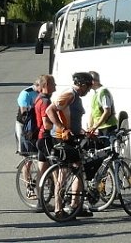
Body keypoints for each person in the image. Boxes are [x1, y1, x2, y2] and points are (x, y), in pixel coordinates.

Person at [45, 71, 95, 218]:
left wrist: (82, 131)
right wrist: (63, 128)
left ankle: (75, 205)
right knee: (63, 172)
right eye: (89, 87)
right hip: (63, 138)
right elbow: (50, 110)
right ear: (83, 85)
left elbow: (71, 118)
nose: (89, 90)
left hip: (72, 137)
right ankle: (59, 209)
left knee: (77, 169)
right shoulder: (70, 94)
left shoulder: (75, 96)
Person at [34, 73, 57, 201]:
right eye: (53, 84)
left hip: (40, 137)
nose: (55, 86)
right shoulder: (45, 101)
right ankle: (59, 200)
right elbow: (46, 124)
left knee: (41, 170)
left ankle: (40, 201)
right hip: (46, 138)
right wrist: (59, 124)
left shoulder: (38, 98)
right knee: (56, 169)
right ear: (46, 85)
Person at [87, 71, 118, 137]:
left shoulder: (103, 92)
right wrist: (90, 127)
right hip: (101, 128)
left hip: (108, 127)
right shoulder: (96, 93)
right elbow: (92, 112)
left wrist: (95, 126)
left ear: (93, 81)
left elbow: (107, 112)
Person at [15, 79, 40, 155]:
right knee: (25, 149)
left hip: (36, 121)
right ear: (37, 86)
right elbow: (24, 111)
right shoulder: (26, 93)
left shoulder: (43, 92)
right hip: (25, 121)